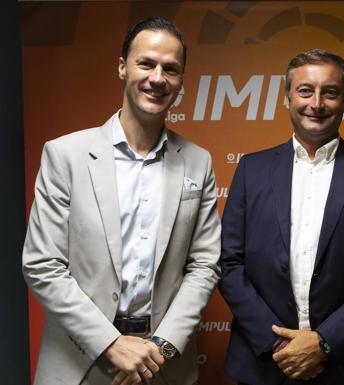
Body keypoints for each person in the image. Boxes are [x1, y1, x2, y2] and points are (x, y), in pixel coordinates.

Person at [22, 17, 221, 385]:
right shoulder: (65, 155)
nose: (157, 78)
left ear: (181, 80)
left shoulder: (198, 161)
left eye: (171, 69)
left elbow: (205, 265)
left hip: (163, 364)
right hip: (79, 360)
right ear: (121, 67)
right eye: (146, 63)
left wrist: (160, 348)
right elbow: (42, 264)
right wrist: (110, 342)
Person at [219, 49, 344, 385]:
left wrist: (323, 342)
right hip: (264, 364)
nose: (316, 103)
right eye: (305, 91)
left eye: (330, 92)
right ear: (287, 98)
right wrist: (279, 344)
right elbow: (230, 265)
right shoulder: (251, 170)